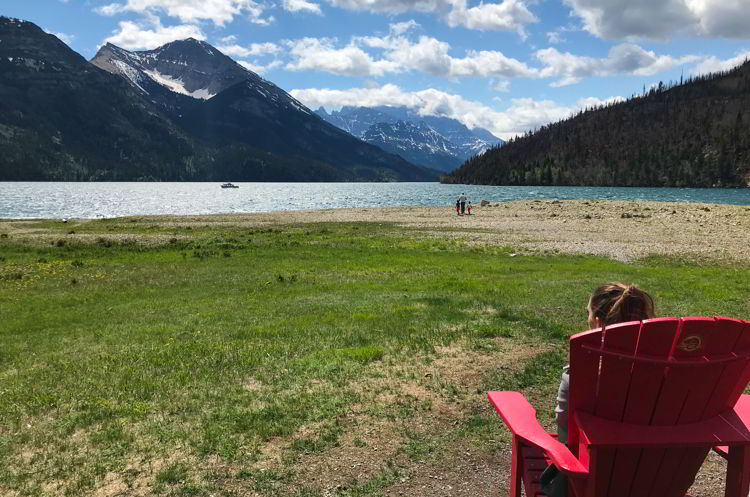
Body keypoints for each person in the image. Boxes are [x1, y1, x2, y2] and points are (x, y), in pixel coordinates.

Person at [543, 283, 655, 496]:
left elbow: (564, 425)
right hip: (651, 480)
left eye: (588, 313)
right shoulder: (665, 375)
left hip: (580, 484)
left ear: (597, 322)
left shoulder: (580, 375)